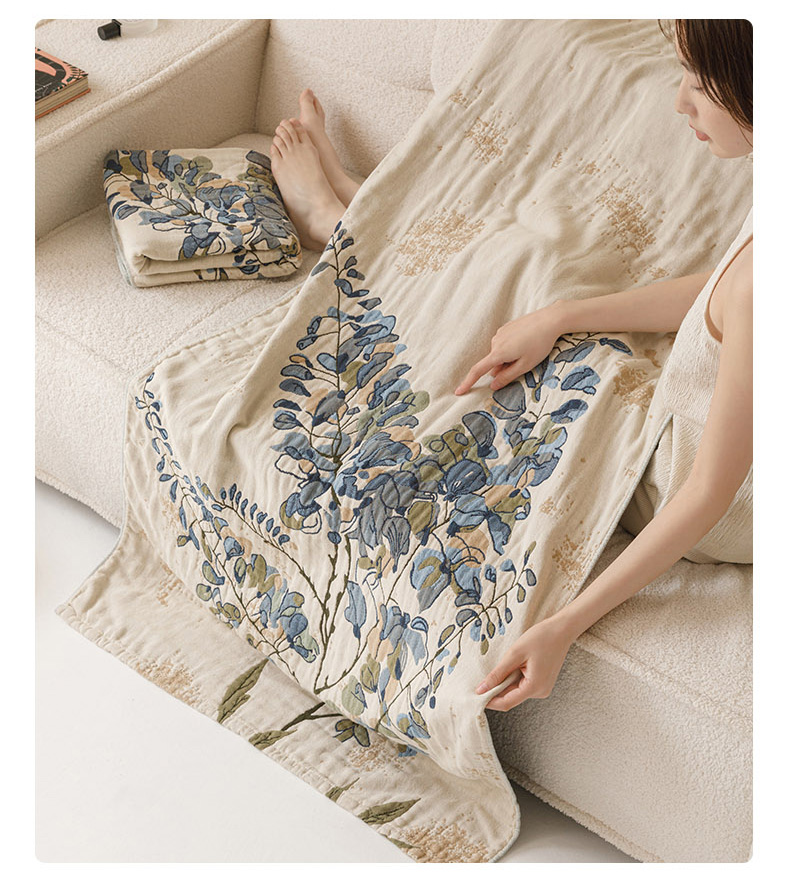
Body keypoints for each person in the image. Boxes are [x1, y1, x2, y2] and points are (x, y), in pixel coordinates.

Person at [270, 19, 753, 714]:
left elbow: (707, 492)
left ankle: (336, 220)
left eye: (700, 86)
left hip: (706, 485)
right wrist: (564, 315)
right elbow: (720, 291)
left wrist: (562, 625)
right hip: (720, 424)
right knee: (544, 282)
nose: (679, 101)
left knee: (516, 283)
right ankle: (354, 203)